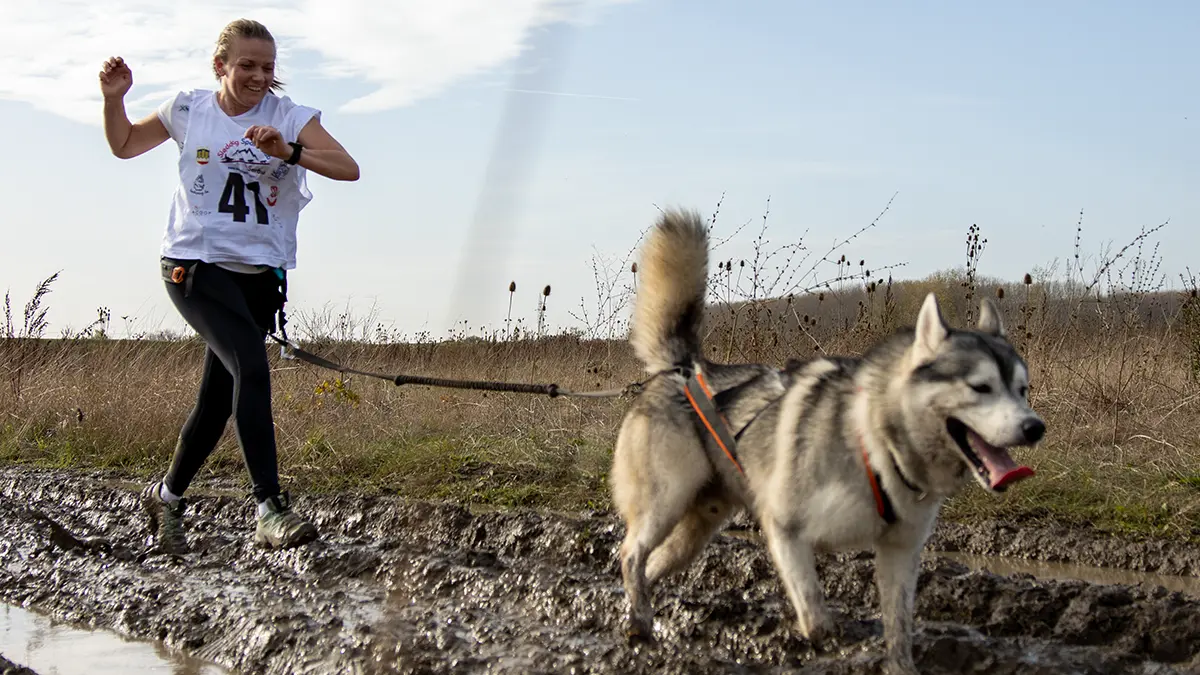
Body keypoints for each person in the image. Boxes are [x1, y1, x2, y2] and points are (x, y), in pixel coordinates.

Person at [98, 18, 360, 552]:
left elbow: (347, 167)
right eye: (247, 65)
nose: (259, 76)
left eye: (267, 67)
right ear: (221, 66)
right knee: (250, 365)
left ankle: (166, 499)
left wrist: (289, 152)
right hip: (194, 266)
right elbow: (124, 145)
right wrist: (114, 99)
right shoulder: (189, 110)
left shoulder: (289, 117)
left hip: (260, 275)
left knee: (218, 399)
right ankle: (269, 507)